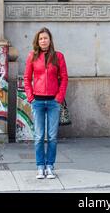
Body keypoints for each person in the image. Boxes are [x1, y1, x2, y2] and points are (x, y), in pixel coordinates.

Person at [24, 27, 68, 179]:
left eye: (46, 38)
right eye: (41, 38)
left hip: (53, 102)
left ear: (50, 40)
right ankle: (40, 167)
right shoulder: (32, 56)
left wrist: (59, 97)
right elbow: (26, 79)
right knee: (38, 136)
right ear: (37, 41)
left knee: (52, 136)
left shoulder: (58, 56)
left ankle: (50, 166)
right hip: (37, 101)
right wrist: (30, 97)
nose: (43, 41)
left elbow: (64, 78)